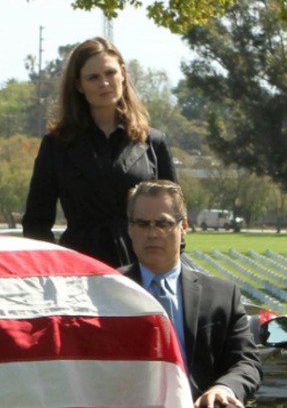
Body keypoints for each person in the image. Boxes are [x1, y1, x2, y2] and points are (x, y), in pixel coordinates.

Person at [22, 37, 176, 268]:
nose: (104, 83)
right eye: (93, 77)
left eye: (110, 73)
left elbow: (173, 216)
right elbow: (36, 223)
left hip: (142, 267)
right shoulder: (56, 145)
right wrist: (49, 272)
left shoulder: (154, 142)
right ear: (78, 85)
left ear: (123, 74)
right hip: (79, 267)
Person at [120, 179, 262, 407]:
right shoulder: (109, 291)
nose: (152, 233)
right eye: (143, 224)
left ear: (183, 227)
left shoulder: (222, 296)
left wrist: (223, 388)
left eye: (162, 224)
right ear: (130, 228)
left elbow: (246, 362)